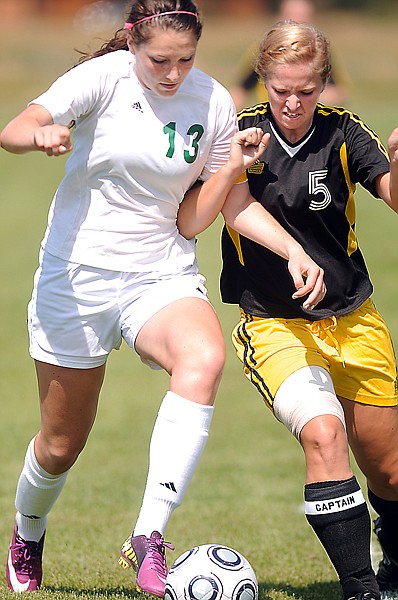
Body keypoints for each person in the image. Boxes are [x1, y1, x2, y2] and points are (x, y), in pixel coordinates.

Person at [0, 1, 326, 596]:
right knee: (60, 444)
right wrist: (40, 133)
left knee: (204, 358)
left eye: (185, 60)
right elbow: (14, 128)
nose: (173, 74)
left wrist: (293, 250)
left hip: (160, 271)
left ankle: (149, 537)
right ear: (132, 44)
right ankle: (27, 530)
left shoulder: (214, 102)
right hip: (78, 277)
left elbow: (212, 210)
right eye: (160, 61)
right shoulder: (102, 79)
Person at [177, 18, 398, 600]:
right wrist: (231, 165)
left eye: (306, 90)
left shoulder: (344, 133)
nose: (294, 102)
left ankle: (394, 564)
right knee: (324, 436)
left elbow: (391, 194)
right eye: (281, 90)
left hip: (353, 318)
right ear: (263, 81)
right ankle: (360, 588)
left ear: (323, 83)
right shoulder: (239, 137)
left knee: (390, 468)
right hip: (274, 324)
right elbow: (205, 211)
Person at [230, 0, 350, 110]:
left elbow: (337, 92)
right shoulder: (266, 50)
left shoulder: (317, 52)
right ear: (281, 17)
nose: (299, 22)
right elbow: (240, 91)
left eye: (304, 17)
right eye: (293, 16)